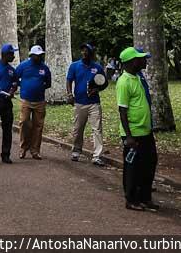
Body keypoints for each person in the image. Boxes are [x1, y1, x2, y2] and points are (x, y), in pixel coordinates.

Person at [117, 46, 159, 212]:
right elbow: (122, 110)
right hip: (133, 133)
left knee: (149, 164)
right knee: (133, 168)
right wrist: (128, 136)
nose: (144, 61)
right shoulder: (124, 82)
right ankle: (131, 199)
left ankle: (145, 198)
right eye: (141, 58)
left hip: (145, 132)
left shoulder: (138, 78)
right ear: (133, 61)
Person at [66, 42, 107, 166]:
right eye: (82, 50)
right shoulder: (74, 66)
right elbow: (69, 80)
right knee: (78, 129)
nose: (84, 53)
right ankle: (76, 151)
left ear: (91, 53)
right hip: (79, 102)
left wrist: (97, 89)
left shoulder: (97, 67)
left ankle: (97, 156)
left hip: (94, 103)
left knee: (97, 129)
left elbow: (104, 83)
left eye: (87, 51)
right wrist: (69, 94)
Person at [14, 44, 51, 160]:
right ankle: (23, 147)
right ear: (32, 55)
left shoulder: (44, 68)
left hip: (39, 101)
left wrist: (39, 87)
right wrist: (23, 85)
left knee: (38, 125)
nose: (40, 57)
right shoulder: (23, 66)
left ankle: (35, 150)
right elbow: (15, 77)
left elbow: (48, 83)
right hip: (26, 99)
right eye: (37, 55)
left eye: (41, 55)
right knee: (24, 122)